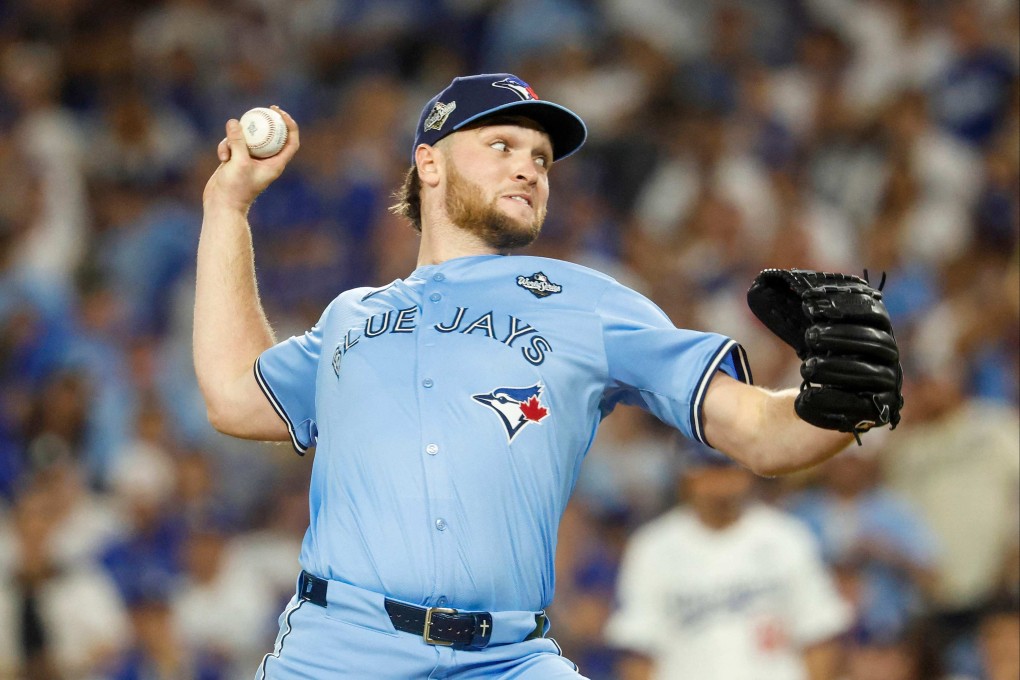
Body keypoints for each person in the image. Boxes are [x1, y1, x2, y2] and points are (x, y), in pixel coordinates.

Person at [194, 73, 878, 679]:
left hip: (506, 658)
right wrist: (228, 207)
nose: (529, 169)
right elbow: (234, 396)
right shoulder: (351, 319)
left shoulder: (590, 302)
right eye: (502, 147)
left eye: (541, 160)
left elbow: (760, 433)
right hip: (339, 651)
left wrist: (838, 406)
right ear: (428, 164)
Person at [604, 443, 852, 680]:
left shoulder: (787, 538)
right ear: (687, 477)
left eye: (727, 469)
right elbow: (638, 653)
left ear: (746, 472)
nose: (720, 482)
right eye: (709, 469)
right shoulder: (653, 547)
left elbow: (819, 638)